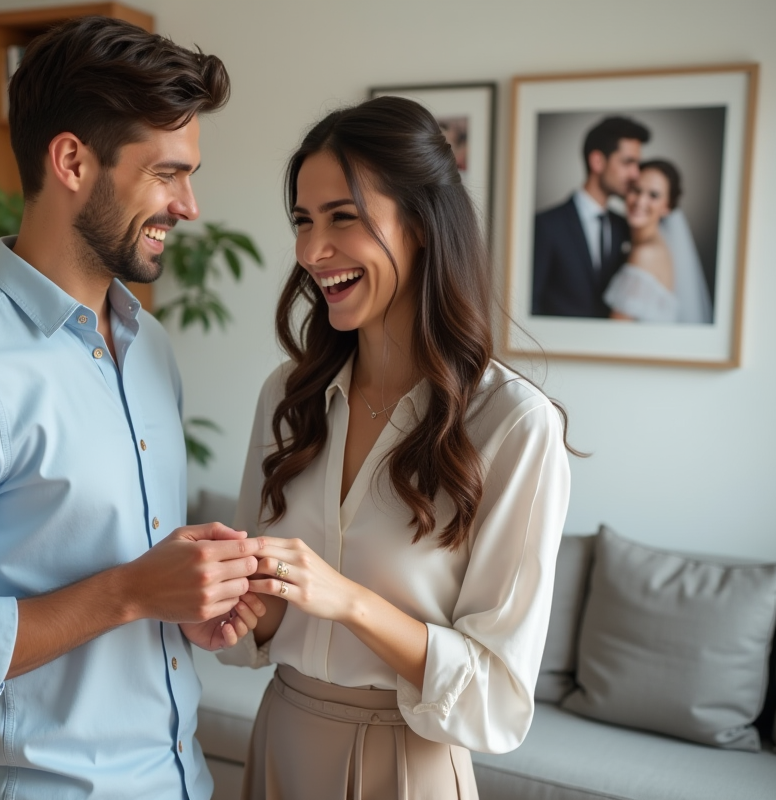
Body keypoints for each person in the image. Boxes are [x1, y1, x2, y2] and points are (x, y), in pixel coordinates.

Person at [0, 17, 266, 799]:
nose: (190, 205)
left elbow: (122, 570)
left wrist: (183, 605)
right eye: (167, 173)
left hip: (181, 781)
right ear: (72, 159)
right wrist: (133, 591)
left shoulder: (150, 348)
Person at [219, 96, 572, 799]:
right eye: (302, 221)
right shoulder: (288, 396)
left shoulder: (514, 425)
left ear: (420, 224)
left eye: (342, 218)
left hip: (407, 766)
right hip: (281, 740)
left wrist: (349, 601)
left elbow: (498, 697)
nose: (311, 251)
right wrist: (236, 602)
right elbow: (275, 608)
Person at [532, 115, 650, 318]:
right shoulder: (546, 225)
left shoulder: (625, 226)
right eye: (627, 163)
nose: (635, 174)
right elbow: (530, 302)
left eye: (637, 165)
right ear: (597, 161)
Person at [604, 159, 713, 324]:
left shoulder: (645, 254)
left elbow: (615, 331)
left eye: (653, 195)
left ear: (667, 206)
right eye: (636, 190)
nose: (640, 201)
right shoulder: (655, 243)